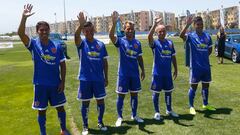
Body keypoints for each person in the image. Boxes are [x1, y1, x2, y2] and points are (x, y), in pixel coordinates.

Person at [17, 4, 69, 135]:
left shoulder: (57, 46)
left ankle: (63, 130)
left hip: (55, 84)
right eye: (41, 30)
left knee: (60, 108)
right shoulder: (33, 44)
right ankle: (43, 133)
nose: (44, 32)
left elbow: (63, 65)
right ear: (37, 31)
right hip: (40, 85)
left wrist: (62, 82)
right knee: (41, 110)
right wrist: (24, 17)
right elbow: (21, 33)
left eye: (46, 29)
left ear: (49, 30)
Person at [74, 12, 109, 135]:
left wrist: (106, 77)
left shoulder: (101, 44)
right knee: (86, 103)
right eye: (86, 31)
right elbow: (75, 36)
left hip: (99, 79)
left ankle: (100, 122)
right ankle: (85, 126)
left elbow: (105, 62)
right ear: (84, 32)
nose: (88, 33)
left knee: (100, 101)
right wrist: (81, 24)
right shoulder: (81, 44)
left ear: (94, 30)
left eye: (90, 30)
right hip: (85, 79)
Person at [109, 11, 145, 127]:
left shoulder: (137, 43)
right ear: (124, 30)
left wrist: (143, 70)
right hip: (123, 74)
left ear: (134, 30)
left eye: (131, 29)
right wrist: (114, 23)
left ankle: (134, 115)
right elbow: (111, 36)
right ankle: (120, 117)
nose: (130, 31)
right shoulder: (120, 41)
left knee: (135, 95)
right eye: (128, 29)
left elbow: (139, 58)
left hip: (134, 74)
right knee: (121, 96)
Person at [180, 16, 216, 115]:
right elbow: (181, 35)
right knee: (193, 87)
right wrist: (187, 24)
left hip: (206, 67)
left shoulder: (207, 36)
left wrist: (202, 57)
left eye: (201, 24)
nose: (200, 26)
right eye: (198, 25)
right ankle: (191, 106)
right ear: (194, 25)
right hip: (195, 68)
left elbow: (209, 50)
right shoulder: (191, 36)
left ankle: (205, 104)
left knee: (206, 86)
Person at [148, 17, 179, 120]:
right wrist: (154, 25)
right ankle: (157, 112)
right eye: (160, 31)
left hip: (167, 73)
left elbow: (173, 56)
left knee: (168, 92)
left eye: (163, 31)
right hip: (157, 73)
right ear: (157, 33)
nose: (162, 33)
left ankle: (169, 110)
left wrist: (176, 69)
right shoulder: (155, 44)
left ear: (166, 32)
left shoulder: (170, 43)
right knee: (156, 93)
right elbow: (149, 37)